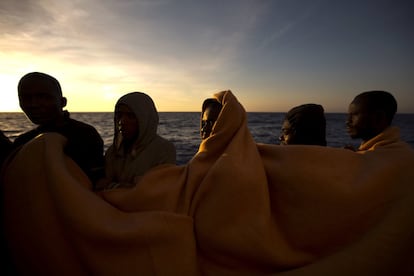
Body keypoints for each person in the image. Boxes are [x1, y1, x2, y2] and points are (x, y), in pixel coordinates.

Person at [13, 72, 105, 185]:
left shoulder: (84, 135)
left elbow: (96, 182)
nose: (34, 104)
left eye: (43, 97)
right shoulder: (22, 141)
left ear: (62, 102)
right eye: (26, 98)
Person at [96, 92, 176, 190]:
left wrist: (113, 186)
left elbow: (157, 192)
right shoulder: (112, 152)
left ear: (145, 119)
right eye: (119, 115)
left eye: (131, 116)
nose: (122, 121)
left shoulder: (163, 150)